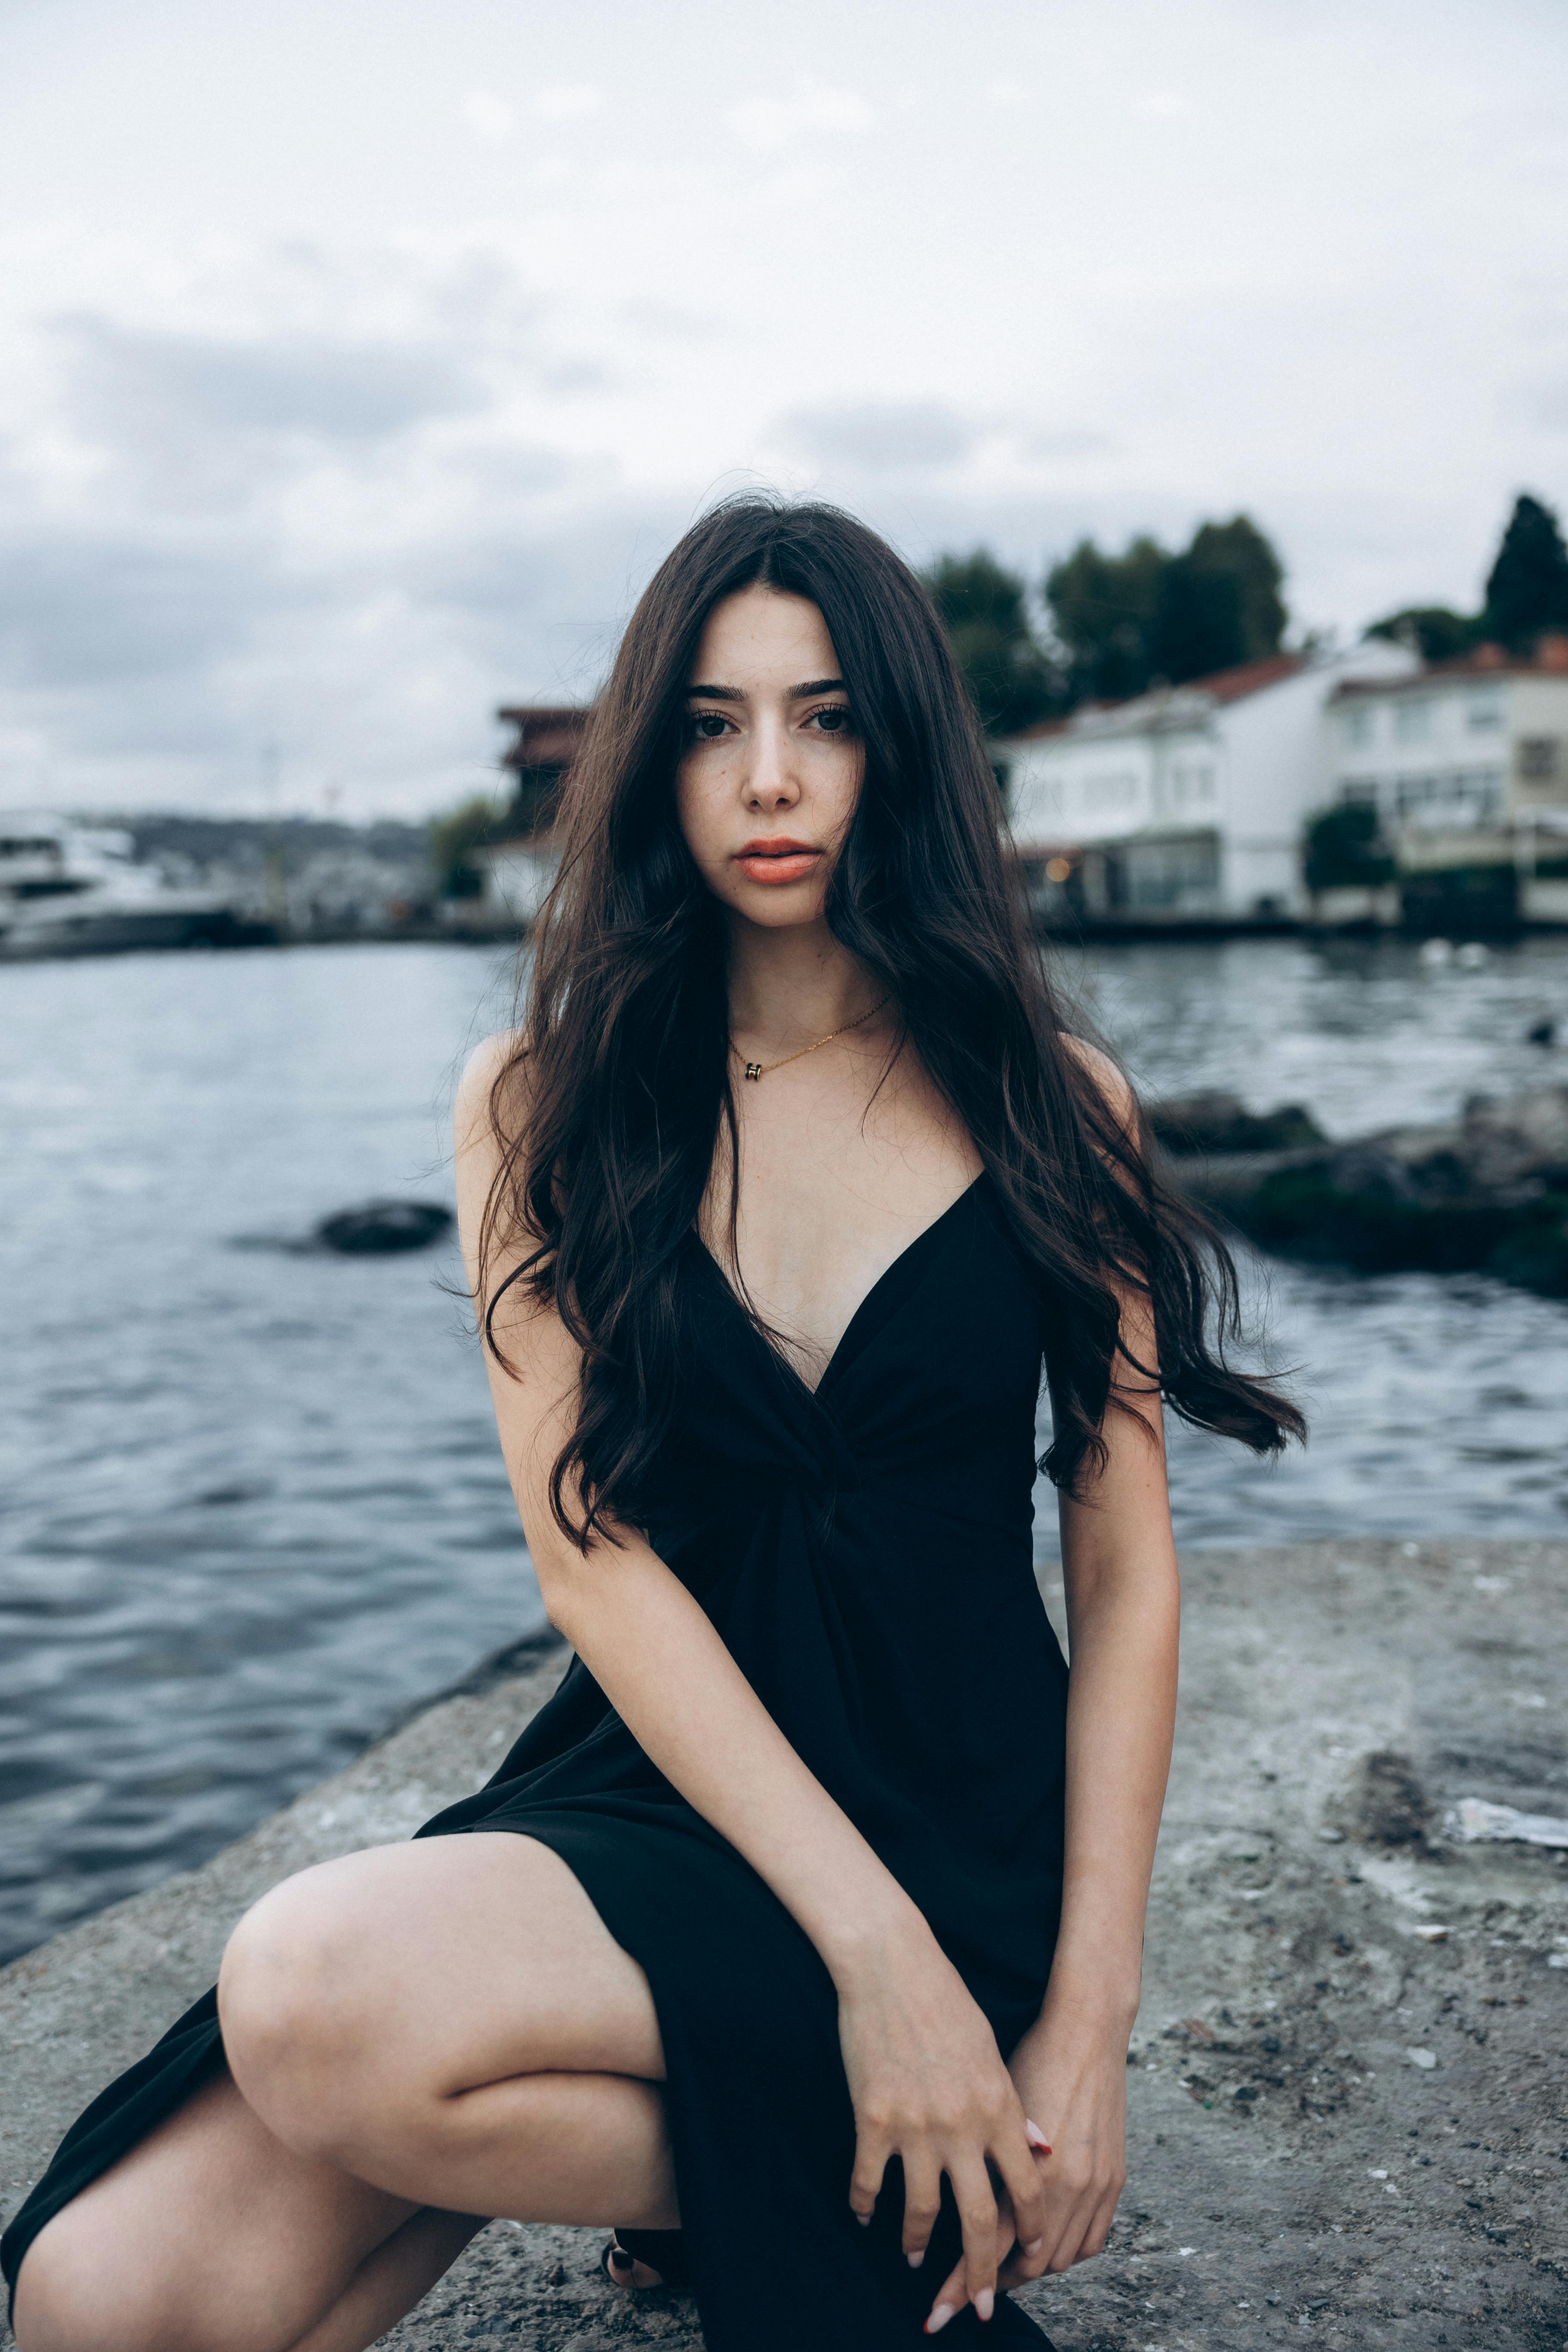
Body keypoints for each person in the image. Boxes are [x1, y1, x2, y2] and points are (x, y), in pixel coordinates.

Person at [4, 497, 1302, 2352]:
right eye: (711, 724)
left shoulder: (1051, 1097)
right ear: (649, 761)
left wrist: (1080, 2025)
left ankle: (889, 2154)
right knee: (94, 2305)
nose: (771, 776)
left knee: (313, 1992)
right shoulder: (538, 1095)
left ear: (905, 746)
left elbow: (1124, 1560)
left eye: (828, 716)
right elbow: (586, 1559)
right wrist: (872, 1979)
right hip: (665, 1787)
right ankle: (887, 2175)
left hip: (949, 1810)